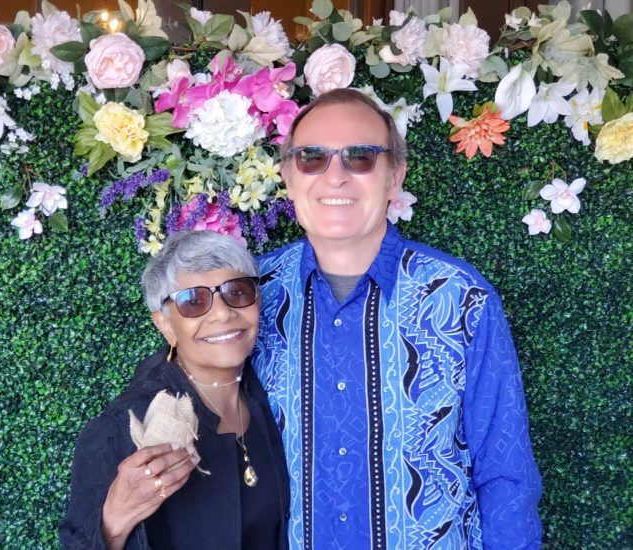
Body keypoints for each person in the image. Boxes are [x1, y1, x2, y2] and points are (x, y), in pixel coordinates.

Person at [252, 88, 542, 549]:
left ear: (394, 176)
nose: (335, 177)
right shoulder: (247, 296)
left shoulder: (460, 297)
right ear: (288, 176)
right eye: (311, 158)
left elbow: (504, 471)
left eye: (361, 157)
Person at [59, 230, 290, 549]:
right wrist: (114, 521)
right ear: (165, 325)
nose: (222, 313)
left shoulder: (276, 393)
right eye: (194, 301)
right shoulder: (120, 430)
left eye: (237, 292)